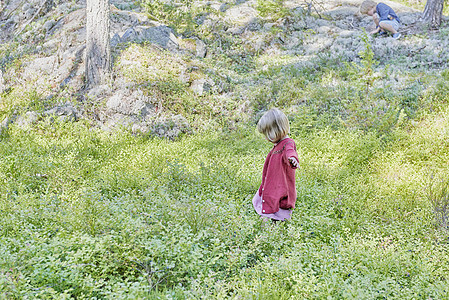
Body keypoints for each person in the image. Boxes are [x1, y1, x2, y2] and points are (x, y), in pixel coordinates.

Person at [252, 108, 300, 222]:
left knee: (277, 202)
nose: (266, 138)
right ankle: (268, 222)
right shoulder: (278, 144)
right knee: (268, 197)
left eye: (268, 134)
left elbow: (290, 151)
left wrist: (292, 159)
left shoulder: (288, 143)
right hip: (272, 181)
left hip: (280, 183)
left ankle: (271, 228)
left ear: (278, 129)